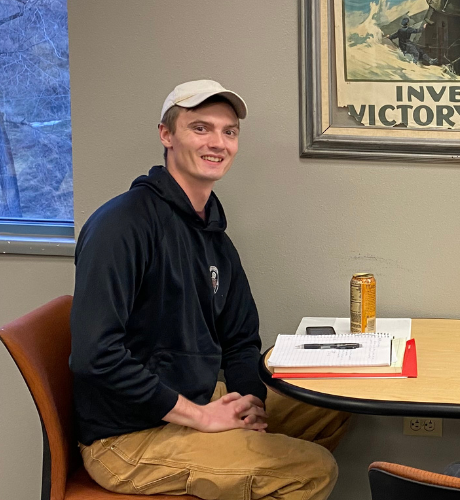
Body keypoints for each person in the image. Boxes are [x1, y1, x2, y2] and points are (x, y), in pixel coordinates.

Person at [69, 79, 350, 500]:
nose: (218, 142)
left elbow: (240, 340)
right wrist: (199, 416)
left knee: (331, 404)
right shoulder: (122, 226)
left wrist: (250, 405)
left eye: (229, 131)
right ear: (166, 134)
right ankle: (259, 470)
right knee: (312, 471)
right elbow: (95, 357)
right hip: (128, 437)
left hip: (196, 396)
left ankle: (245, 468)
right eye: (200, 128)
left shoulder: (213, 235)